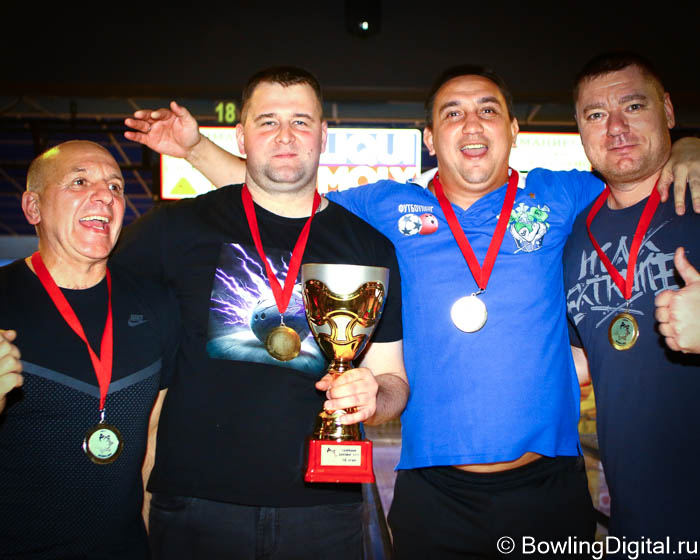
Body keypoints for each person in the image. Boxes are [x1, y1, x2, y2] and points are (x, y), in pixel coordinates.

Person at [124, 66, 700, 559]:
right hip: (433, 494)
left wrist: (687, 147)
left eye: (488, 110)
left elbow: (635, 168)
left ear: (513, 130)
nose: (471, 125)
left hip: (548, 487)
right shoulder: (386, 207)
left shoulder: (565, 195)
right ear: (429, 137)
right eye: (452, 114)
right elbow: (280, 191)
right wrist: (196, 149)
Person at [113, 67, 407, 560]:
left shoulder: (369, 248)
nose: (285, 135)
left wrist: (375, 396)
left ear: (323, 135)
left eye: (300, 121)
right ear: (241, 136)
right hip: (197, 502)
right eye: (268, 121)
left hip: (324, 508)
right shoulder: (177, 227)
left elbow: (394, 381)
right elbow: (84, 281)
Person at [0, 140, 178, 559]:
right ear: (33, 207)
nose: (105, 196)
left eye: (115, 187)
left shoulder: (156, 304)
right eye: (79, 182)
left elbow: (153, 437)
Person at [564, 52, 700, 553]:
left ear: (668, 111)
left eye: (634, 106)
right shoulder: (577, 235)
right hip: (637, 522)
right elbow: (583, 359)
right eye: (596, 114)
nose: (616, 127)